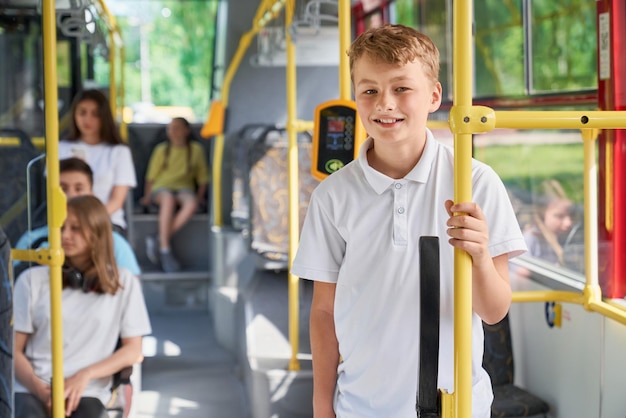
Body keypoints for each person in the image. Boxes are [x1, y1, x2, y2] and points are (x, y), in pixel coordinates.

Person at [291, 24, 526, 418]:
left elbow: (493, 311)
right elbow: (324, 311)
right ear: (356, 99)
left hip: (456, 407)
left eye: (402, 88)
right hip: (360, 407)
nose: (385, 103)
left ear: (434, 96)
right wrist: (321, 405)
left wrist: (481, 256)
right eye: (370, 91)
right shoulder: (333, 196)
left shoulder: (475, 183)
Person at [13, 195, 151, 418]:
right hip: (33, 386)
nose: (65, 235)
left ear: (97, 234)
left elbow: (134, 350)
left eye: (76, 228)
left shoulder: (124, 283)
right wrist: (40, 389)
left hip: (89, 389)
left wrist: (85, 375)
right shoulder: (31, 280)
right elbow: (14, 351)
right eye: (61, 227)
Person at [14, 158, 141, 278]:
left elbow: (130, 289)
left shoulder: (114, 243)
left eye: (79, 189)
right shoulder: (31, 240)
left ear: (92, 192)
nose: (71, 195)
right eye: (63, 189)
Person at [59, 89, 137, 234]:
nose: (87, 120)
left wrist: (88, 221)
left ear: (104, 117)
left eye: (95, 114)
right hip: (64, 223)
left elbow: (116, 201)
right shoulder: (60, 148)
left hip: (105, 222)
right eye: (82, 113)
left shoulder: (119, 152)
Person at [140, 117, 210, 273]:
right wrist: (147, 196)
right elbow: (151, 177)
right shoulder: (161, 150)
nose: (173, 132)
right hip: (162, 189)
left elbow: (203, 178)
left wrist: (200, 198)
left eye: (177, 128)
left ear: (186, 130)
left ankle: (159, 238)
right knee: (168, 200)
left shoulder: (195, 150)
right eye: (170, 128)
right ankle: (165, 250)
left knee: (190, 204)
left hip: (184, 188)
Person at [523, 179, 575, 267]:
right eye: (559, 216)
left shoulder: (566, 238)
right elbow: (521, 272)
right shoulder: (530, 239)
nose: (568, 223)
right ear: (542, 214)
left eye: (571, 215)